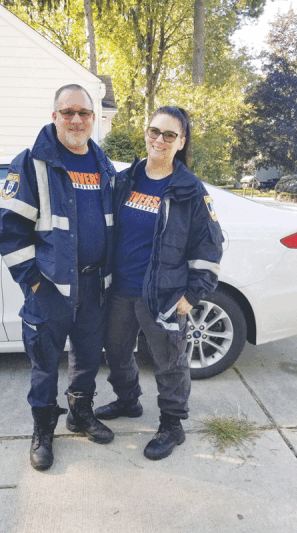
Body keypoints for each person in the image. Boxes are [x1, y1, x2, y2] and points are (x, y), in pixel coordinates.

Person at [0, 84, 116, 471]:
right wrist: (32, 281)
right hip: (49, 288)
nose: (76, 119)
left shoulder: (104, 165)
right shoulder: (32, 163)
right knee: (45, 364)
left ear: (93, 119)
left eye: (83, 113)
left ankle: (80, 415)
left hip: (94, 285)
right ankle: (43, 431)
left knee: (86, 359)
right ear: (54, 116)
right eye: (68, 112)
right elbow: (9, 229)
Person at [95, 106, 224, 460]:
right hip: (121, 290)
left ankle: (172, 425)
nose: (160, 140)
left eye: (170, 135)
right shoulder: (128, 179)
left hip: (163, 296)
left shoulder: (189, 191)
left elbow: (210, 248)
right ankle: (127, 401)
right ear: (146, 132)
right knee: (117, 352)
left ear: (181, 142)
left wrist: (191, 296)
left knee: (169, 362)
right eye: (155, 131)